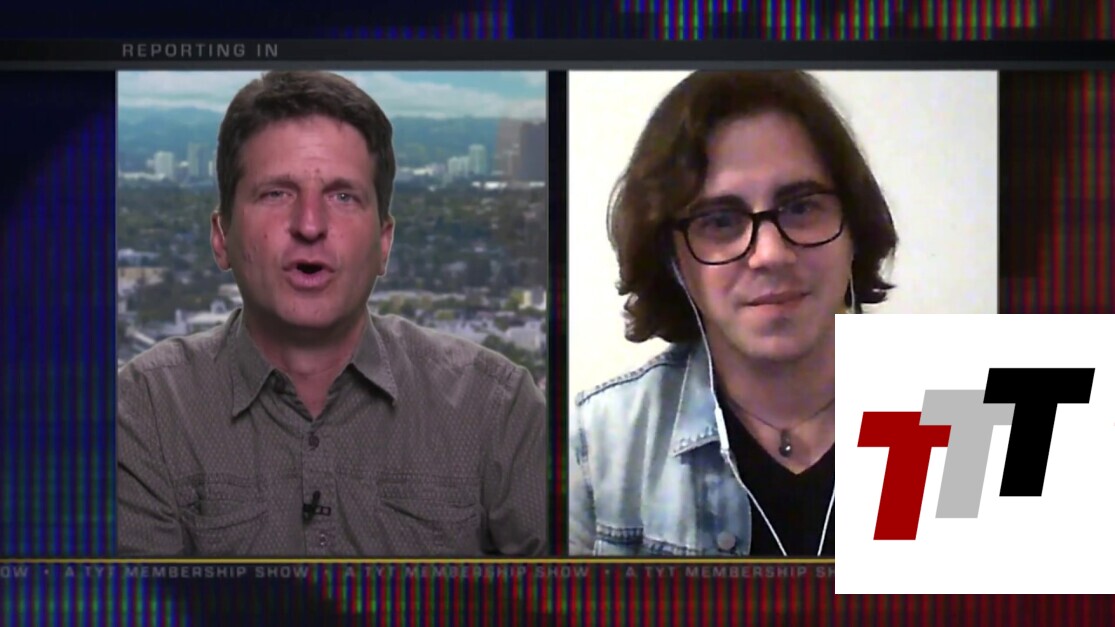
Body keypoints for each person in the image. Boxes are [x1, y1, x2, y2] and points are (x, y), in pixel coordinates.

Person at [117, 71, 547, 557]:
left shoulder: (497, 409)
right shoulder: (146, 412)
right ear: (221, 238)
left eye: (343, 197)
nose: (310, 225)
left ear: (384, 244)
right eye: (276, 193)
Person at [568, 71, 898, 556]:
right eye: (720, 221)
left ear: (854, 228)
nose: (771, 253)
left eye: (801, 208)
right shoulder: (597, 446)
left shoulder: (966, 412)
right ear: (672, 259)